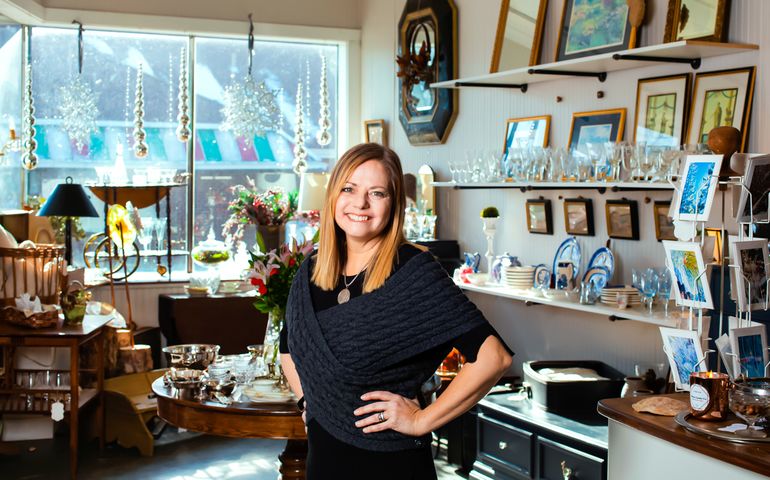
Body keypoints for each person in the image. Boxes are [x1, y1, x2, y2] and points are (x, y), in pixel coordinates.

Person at [280, 143, 513, 479]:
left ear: (394, 205)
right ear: (333, 196)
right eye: (349, 188)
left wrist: (422, 419)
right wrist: (312, 402)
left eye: (376, 193)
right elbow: (289, 347)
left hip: (389, 465)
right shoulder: (312, 269)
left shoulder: (415, 272)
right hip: (324, 463)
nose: (360, 203)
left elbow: (495, 358)